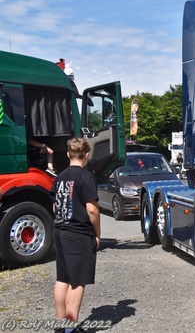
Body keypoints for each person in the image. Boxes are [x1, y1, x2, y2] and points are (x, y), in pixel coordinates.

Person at [50, 138, 100, 333]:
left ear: (68, 154)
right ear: (87, 155)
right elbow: (92, 210)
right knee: (77, 281)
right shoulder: (86, 178)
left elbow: (55, 206)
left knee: (62, 279)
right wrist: (97, 234)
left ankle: (61, 324)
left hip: (60, 231)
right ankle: (71, 329)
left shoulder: (59, 177)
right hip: (78, 234)